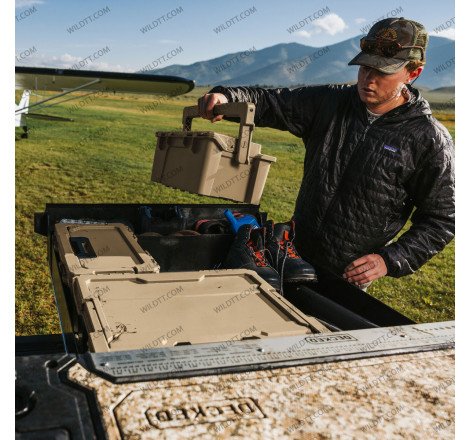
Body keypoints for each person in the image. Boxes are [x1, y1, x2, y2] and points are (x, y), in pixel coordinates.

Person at [197, 17, 455, 289]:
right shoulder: (330, 102)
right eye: (365, 67)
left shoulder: (429, 139)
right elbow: (271, 102)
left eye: (383, 71)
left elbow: (443, 218)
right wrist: (227, 96)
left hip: (346, 276)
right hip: (290, 254)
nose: (368, 78)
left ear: (413, 73)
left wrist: (389, 260)